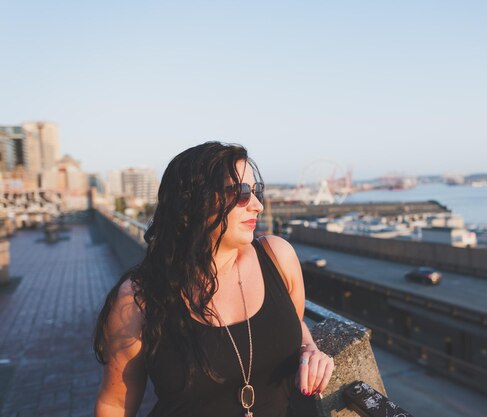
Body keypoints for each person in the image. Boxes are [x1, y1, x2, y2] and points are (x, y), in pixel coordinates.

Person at [93, 142, 334, 417]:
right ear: (193, 200)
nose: (257, 205)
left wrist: (310, 349)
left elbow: (292, 320)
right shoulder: (139, 299)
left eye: (257, 192)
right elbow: (114, 404)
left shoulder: (278, 257)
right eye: (241, 193)